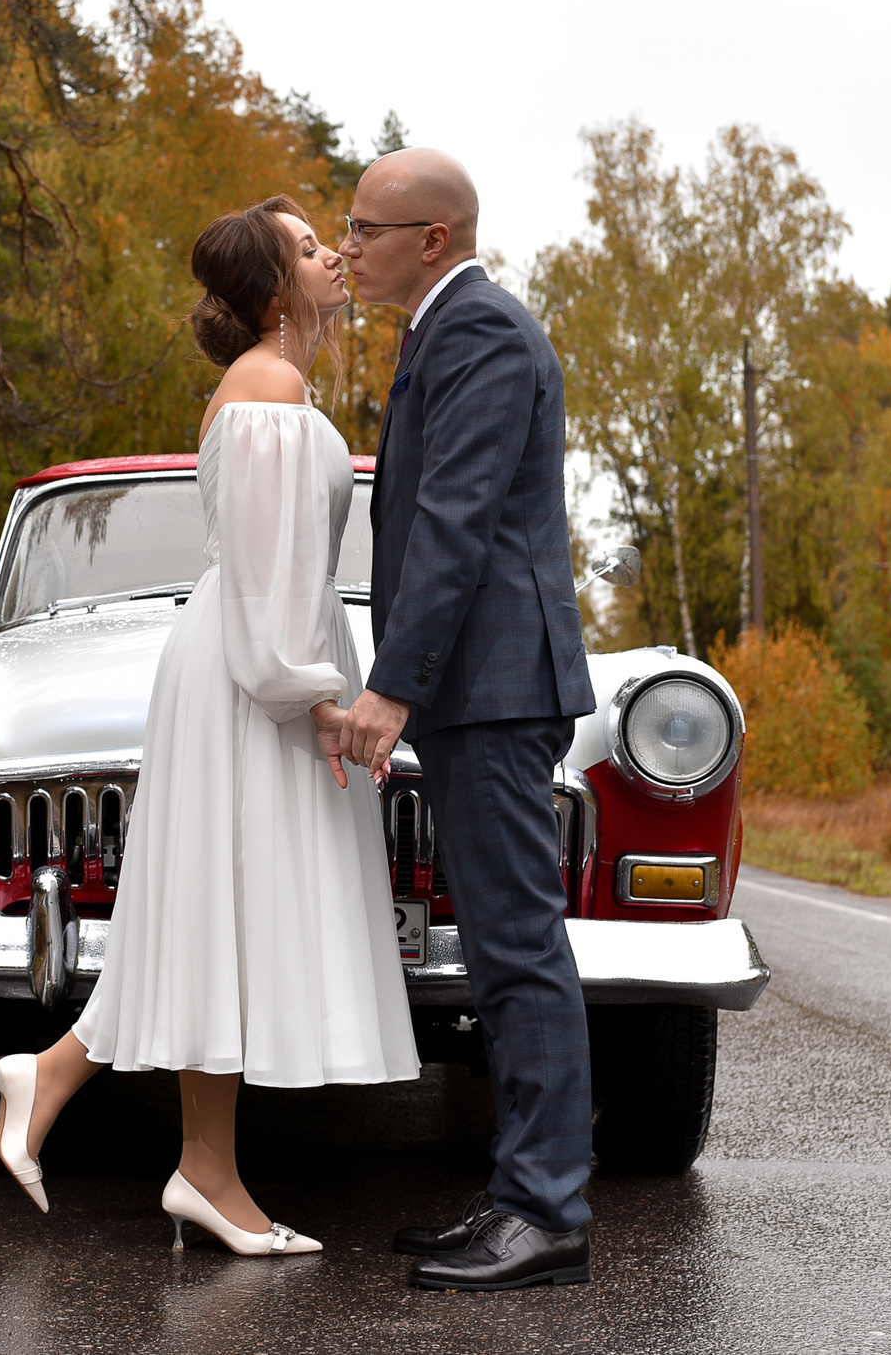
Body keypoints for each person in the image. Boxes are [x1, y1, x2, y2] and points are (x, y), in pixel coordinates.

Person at [0, 194, 419, 1256]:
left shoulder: (275, 383)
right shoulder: (269, 389)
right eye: (309, 248)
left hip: (253, 665)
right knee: (225, 905)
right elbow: (266, 575)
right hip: (253, 672)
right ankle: (179, 1153)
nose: (334, 256)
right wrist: (310, 696)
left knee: (221, 910)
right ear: (272, 290)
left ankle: (151, 1134)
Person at [338, 147, 598, 1291]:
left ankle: (544, 1212)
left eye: (364, 228)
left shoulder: (481, 330)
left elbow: (454, 516)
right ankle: (518, 1193)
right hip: (477, 688)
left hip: (493, 686)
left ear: (430, 237)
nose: (348, 246)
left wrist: (393, 680)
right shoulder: (440, 329)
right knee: (499, 948)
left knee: (517, 946)